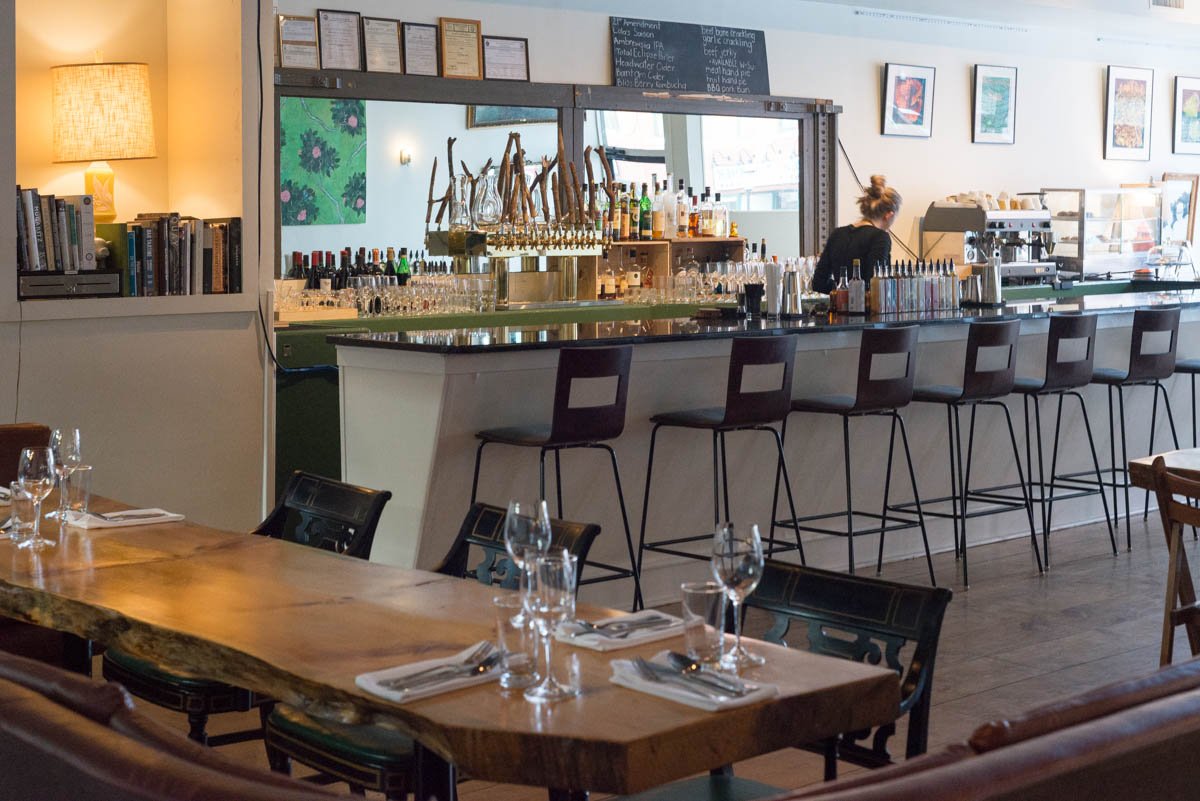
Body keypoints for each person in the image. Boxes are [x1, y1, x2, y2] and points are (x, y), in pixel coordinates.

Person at [812, 175, 901, 294]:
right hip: (866, 306)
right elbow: (876, 286)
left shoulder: (837, 234)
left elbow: (819, 283)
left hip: (840, 305)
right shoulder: (880, 238)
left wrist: (842, 290)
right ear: (889, 215)